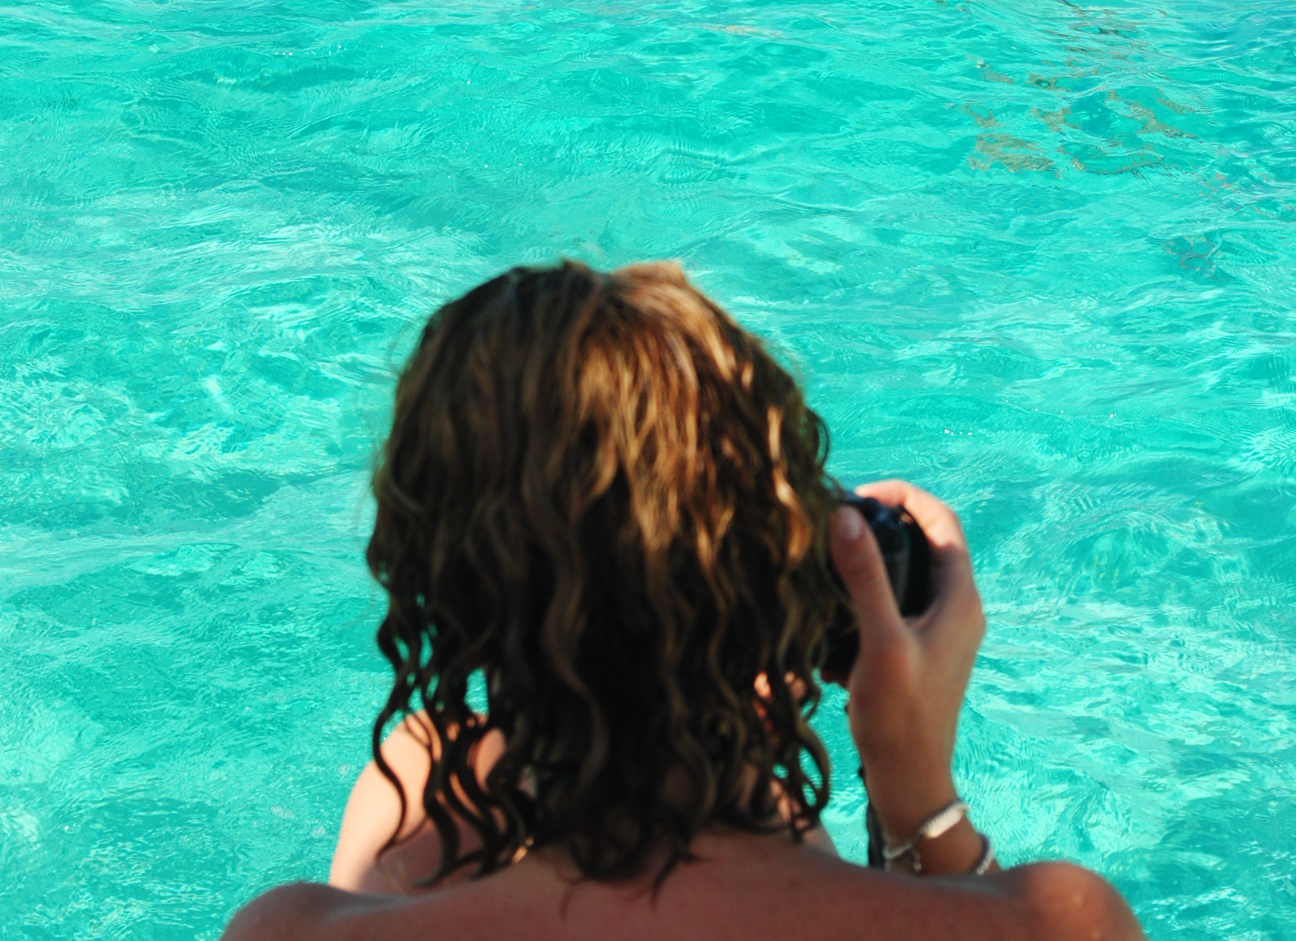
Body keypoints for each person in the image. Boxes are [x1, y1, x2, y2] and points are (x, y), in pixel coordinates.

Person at [221, 258, 1144, 941]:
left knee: (432, 756)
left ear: (439, 591)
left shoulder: (292, 930)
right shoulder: (1056, 925)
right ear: (794, 575)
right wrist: (917, 798)